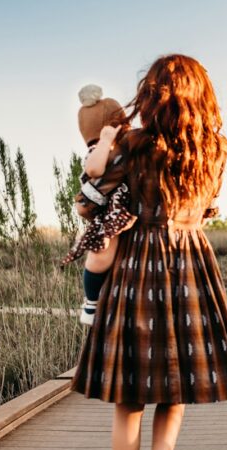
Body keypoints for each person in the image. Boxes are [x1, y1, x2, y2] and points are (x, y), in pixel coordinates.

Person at [72, 55, 227, 450]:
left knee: (129, 398)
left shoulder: (133, 145)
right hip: (189, 264)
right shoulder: (213, 149)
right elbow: (209, 205)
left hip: (136, 267)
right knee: (174, 386)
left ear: (150, 95)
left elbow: (89, 202)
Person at [61, 85, 136, 326]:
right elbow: (94, 170)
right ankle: (91, 303)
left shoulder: (122, 149)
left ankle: (104, 300)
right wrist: (105, 141)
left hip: (121, 209)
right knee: (101, 254)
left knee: (110, 256)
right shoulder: (99, 149)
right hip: (109, 213)